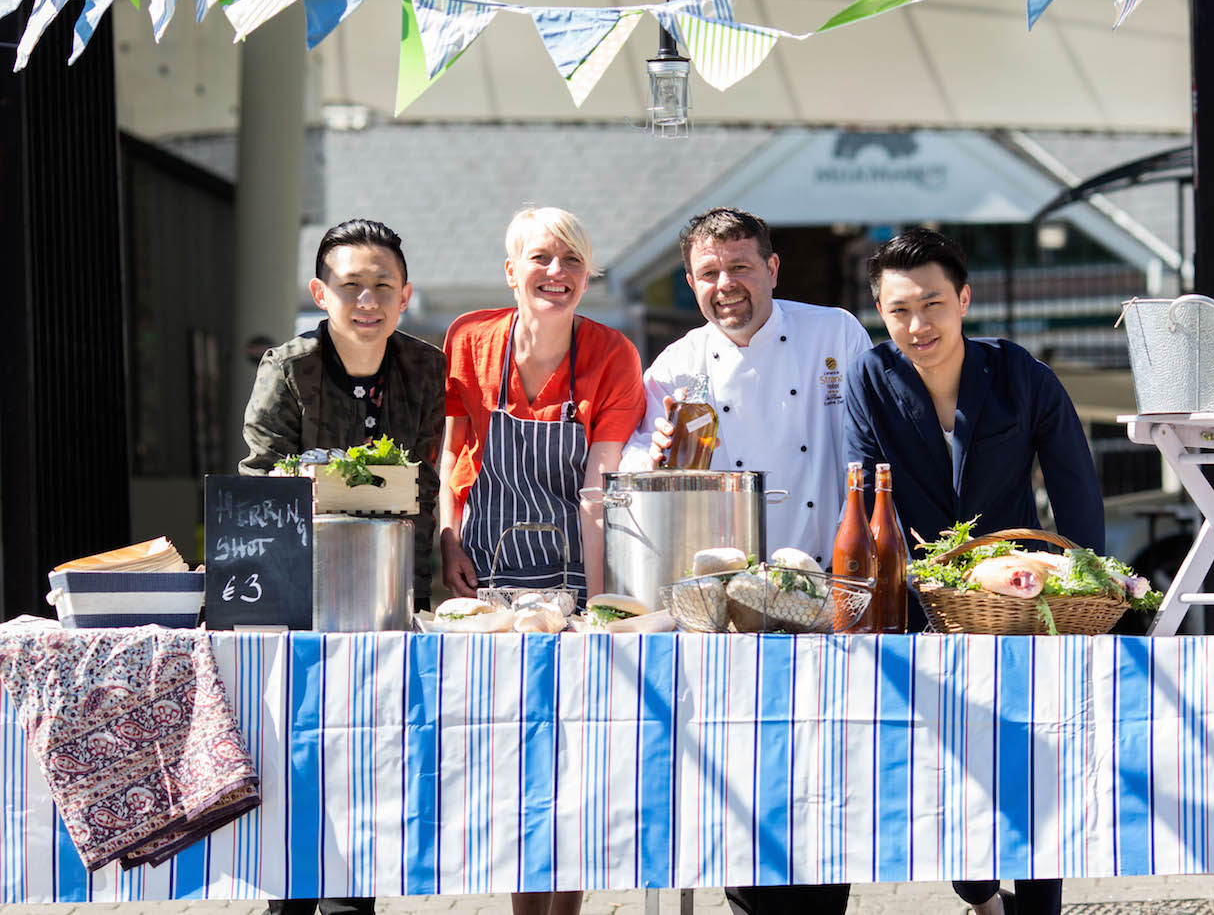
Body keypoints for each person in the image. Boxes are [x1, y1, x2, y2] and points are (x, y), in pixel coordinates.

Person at [843, 227, 1104, 915]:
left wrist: (1082, 592)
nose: (917, 324)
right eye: (899, 309)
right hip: (926, 608)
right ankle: (979, 892)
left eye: (932, 302)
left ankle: (1036, 906)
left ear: (963, 298)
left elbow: (1075, 488)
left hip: (1024, 602)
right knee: (952, 775)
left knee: (1033, 768)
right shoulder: (871, 376)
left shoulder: (1020, 375)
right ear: (880, 310)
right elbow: (868, 501)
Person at [624, 207, 871, 915]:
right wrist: (658, 450)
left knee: (824, 781)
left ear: (771, 268)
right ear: (691, 281)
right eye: (708, 273)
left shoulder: (835, 332)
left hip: (826, 589)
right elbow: (640, 466)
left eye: (738, 267)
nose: (725, 284)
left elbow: (878, 433)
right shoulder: (674, 364)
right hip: (728, 609)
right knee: (741, 778)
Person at [240, 218, 445, 915]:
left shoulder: (424, 367)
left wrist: (420, 602)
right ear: (319, 292)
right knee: (293, 767)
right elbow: (261, 477)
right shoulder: (288, 367)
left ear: (405, 293)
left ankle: (354, 900)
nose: (366, 300)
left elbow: (422, 491)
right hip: (298, 607)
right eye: (350, 285)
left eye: (381, 285)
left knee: (366, 770)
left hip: (385, 605)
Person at [439, 206, 644, 613]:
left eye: (573, 260)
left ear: (586, 279)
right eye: (540, 258)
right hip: (483, 570)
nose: (557, 271)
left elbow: (596, 493)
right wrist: (449, 544)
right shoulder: (469, 340)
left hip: (576, 573)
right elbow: (450, 453)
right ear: (511, 272)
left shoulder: (613, 355)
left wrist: (599, 605)